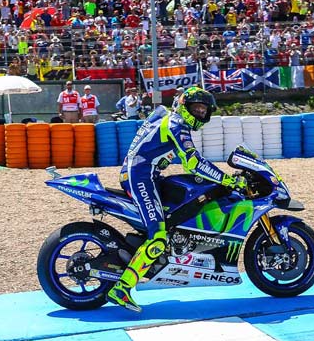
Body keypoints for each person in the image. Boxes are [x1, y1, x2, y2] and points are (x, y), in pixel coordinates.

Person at [106, 87, 247, 312]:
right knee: (159, 236)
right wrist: (227, 180)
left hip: (148, 174)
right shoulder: (176, 125)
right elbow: (194, 163)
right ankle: (122, 288)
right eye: (196, 108)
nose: (200, 113)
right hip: (140, 176)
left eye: (204, 110)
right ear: (184, 106)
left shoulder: (170, 119)